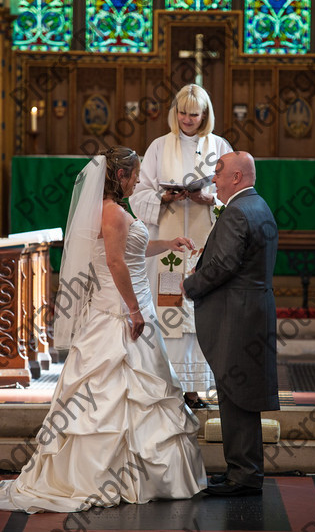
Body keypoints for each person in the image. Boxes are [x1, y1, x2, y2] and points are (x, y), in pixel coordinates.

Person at [0, 147, 207, 513]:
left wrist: (167, 245)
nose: (139, 181)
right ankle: (108, 476)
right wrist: (132, 310)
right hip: (119, 311)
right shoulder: (111, 213)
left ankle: (130, 474)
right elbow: (114, 262)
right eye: (135, 174)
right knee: (119, 389)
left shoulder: (117, 211)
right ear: (121, 175)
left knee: (138, 388)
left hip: (132, 304)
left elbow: (133, 250)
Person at [182, 151, 279, 496]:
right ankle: (243, 470)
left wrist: (189, 285)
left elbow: (222, 265)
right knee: (238, 395)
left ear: (236, 177)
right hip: (250, 313)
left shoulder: (238, 211)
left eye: (219, 173)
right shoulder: (258, 205)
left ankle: (244, 476)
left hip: (238, 317)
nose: (214, 180)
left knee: (237, 395)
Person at [130, 84, 232, 409]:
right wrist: (163, 197)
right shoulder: (159, 147)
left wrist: (208, 198)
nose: (188, 119)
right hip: (169, 252)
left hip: (204, 248)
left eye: (194, 114)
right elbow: (137, 192)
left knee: (197, 316)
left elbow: (232, 195)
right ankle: (168, 386)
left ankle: (193, 389)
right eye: (182, 113)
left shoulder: (218, 147)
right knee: (169, 313)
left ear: (205, 115)